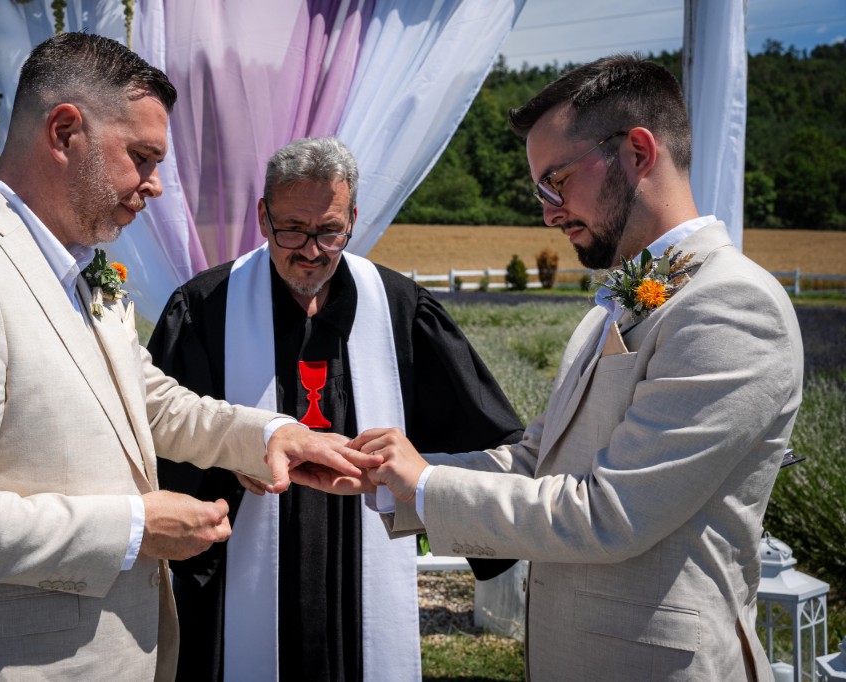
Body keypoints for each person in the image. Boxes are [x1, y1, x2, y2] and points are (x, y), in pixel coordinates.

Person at [0, 33, 374, 681]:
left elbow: (151, 403)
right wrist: (134, 527)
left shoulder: (78, 266)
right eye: (142, 157)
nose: (155, 185)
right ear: (64, 132)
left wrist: (271, 435)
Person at [302, 55, 805, 681]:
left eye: (556, 181)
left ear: (638, 152)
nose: (548, 211)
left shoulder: (732, 305)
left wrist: (427, 485)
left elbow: (612, 513)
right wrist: (385, 476)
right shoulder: (613, 307)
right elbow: (538, 461)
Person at [147, 136, 525, 681]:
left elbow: (479, 437)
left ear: (352, 219)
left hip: (360, 562)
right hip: (241, 570)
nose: (311, 251)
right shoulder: (205, 309)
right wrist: (227, 462)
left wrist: (427, 475)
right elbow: (160, 441)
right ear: (262, 216)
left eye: (329, 231)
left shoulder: (400, 311)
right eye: (292, 229)